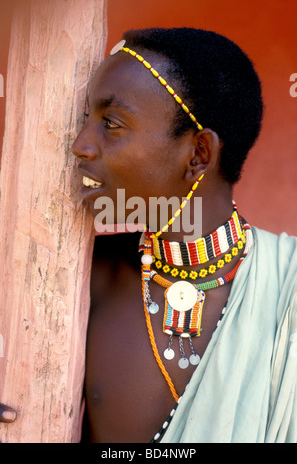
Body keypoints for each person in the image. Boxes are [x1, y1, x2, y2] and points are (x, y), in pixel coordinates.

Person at [2, 28, 297, 443]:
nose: (80, 145)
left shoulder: (289, 290)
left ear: (198, 154)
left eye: (111, 123)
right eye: (85, 120)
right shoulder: (74, 278)